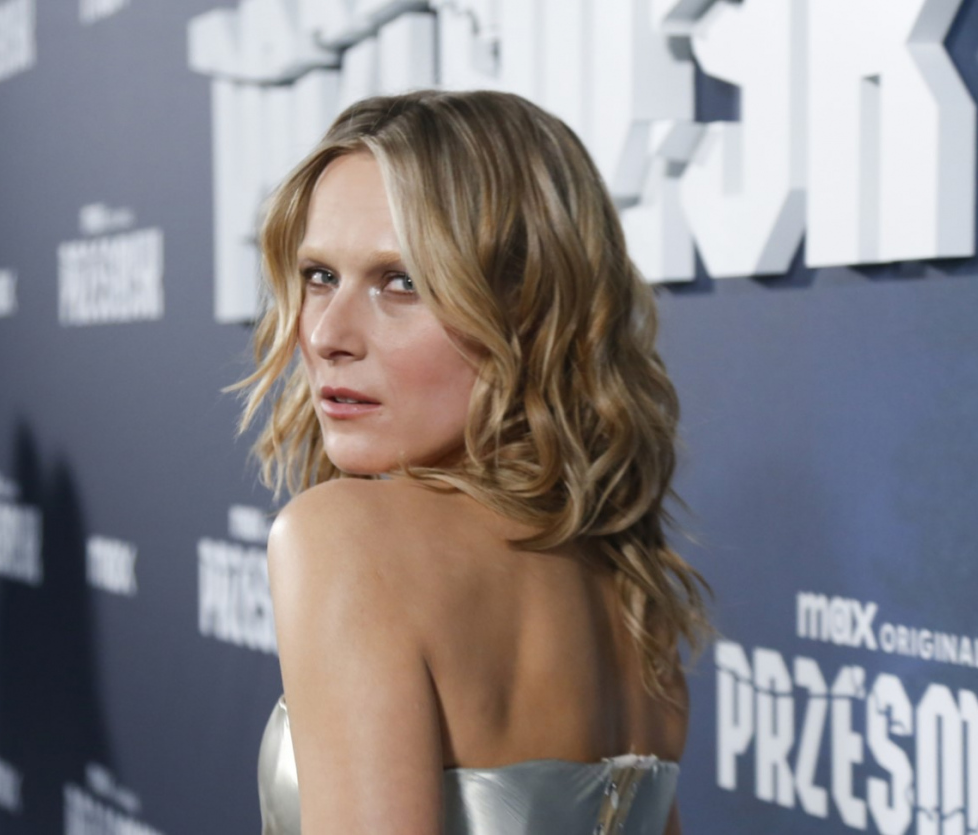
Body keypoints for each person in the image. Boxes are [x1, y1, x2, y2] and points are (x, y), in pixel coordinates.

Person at [226, 88, 713, 835]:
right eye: (319, 275)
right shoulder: (633, 593)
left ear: (529, 309)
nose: (326, 335)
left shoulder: (346, 539)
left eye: (402, 282)